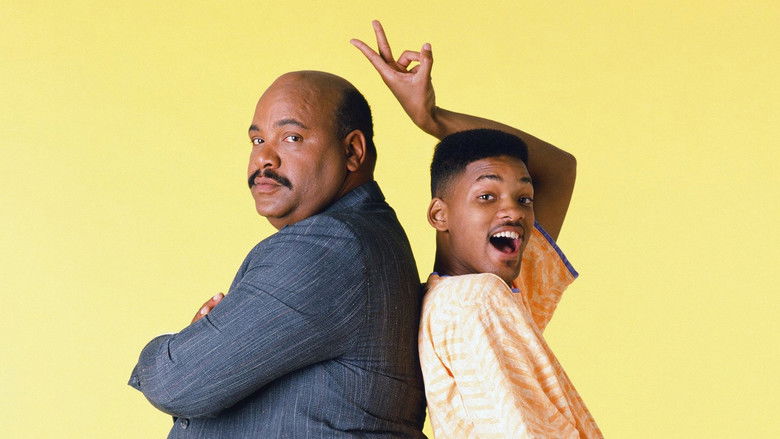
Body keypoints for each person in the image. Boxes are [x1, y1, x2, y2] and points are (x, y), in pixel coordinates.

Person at [128, 71, 427, 438]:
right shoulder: (364, 235)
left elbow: (175, 381)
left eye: (291, 138)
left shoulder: (327, 246)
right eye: (257, 140)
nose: (263, 159)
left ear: (352, 151)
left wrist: (173, 349)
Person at [352, 21, 603, 438]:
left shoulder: (478, 295)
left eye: (524, 198)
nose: (514, 211)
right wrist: (432, 121)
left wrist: (433, 118)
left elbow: (559, 169)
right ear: (439, 216)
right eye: (487, 196)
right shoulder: (477, 301)